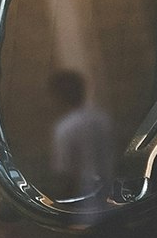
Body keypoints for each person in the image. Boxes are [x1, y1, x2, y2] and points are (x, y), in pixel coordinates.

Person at [48, 69, 115, 199]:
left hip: (82, 197)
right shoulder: (102, 119)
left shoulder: (65, 128)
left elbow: (64, 172)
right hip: (109, 192)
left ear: (59, 97)